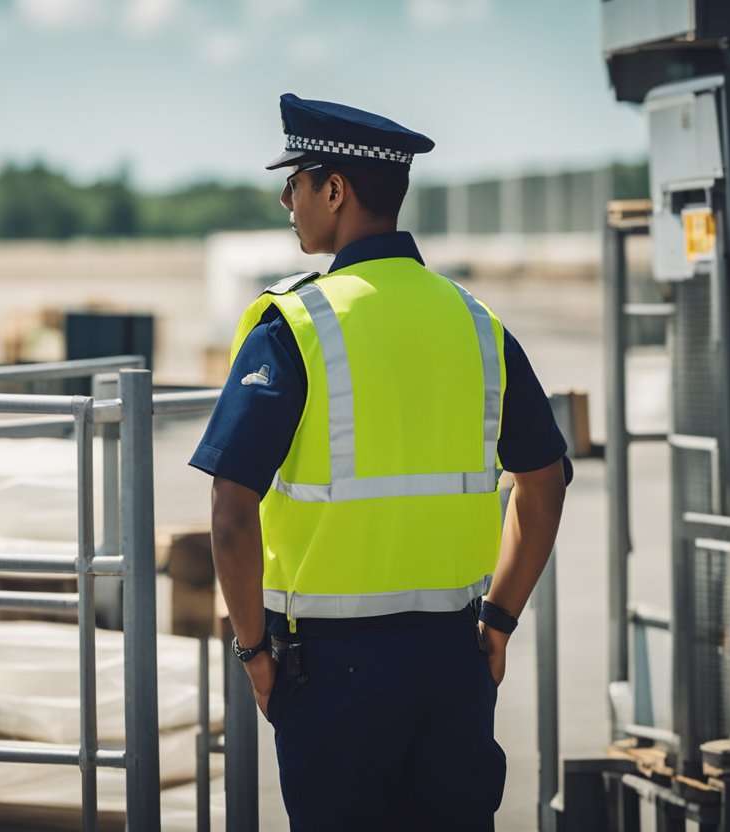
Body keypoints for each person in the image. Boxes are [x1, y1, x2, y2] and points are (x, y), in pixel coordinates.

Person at [189, 93, 569, 830]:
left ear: (335, 190)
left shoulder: (295, 325)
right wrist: (496, 624)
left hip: (329, 676)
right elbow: (544, 486)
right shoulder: (477, 323)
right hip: (452, 663)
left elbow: (231, 511)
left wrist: (252, 654)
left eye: (295, 181)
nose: (287, 199)